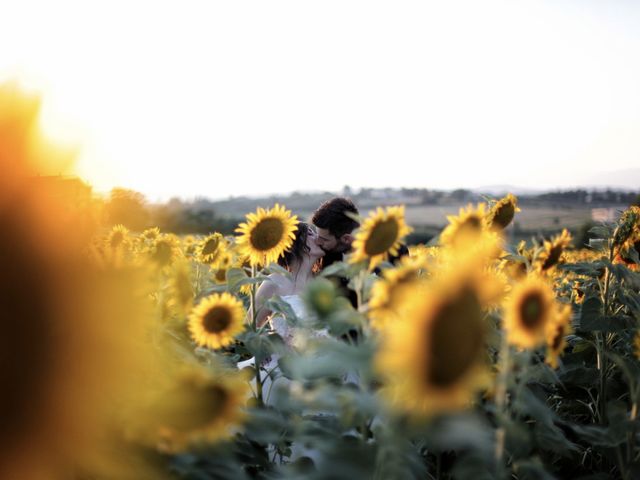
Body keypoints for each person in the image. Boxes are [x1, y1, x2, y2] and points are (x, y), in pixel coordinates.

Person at [239, 222, 327, 405]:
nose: (317, 236)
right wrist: (275, 342)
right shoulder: (275, 282)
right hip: (281, 372)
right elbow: (248, 326)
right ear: (295, 244)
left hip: (319, 369)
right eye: (310, 233)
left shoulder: (323, 284)